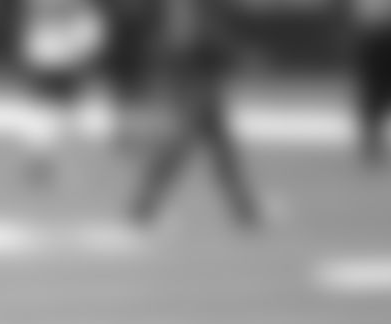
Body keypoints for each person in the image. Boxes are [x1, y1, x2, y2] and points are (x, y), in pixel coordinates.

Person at [127, 0, 264, 232]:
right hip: (193, 64)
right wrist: (233, 54)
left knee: (215, 140)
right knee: (188, 138)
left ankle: (244, 209)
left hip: (189, 63)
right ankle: (144, 205)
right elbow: (196, 32)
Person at [18, 0, 107, 184]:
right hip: (52, 61)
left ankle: (46, 157)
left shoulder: (83, 21)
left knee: (75, 113)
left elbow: (88, 35)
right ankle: (41, 160)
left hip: (62, 58)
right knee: (47, 112)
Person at [350, 0, 391, 168]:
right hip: (373, 38)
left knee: (373, 94)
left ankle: (371, 143)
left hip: (375, 36)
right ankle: (371, 143)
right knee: (372, 94)